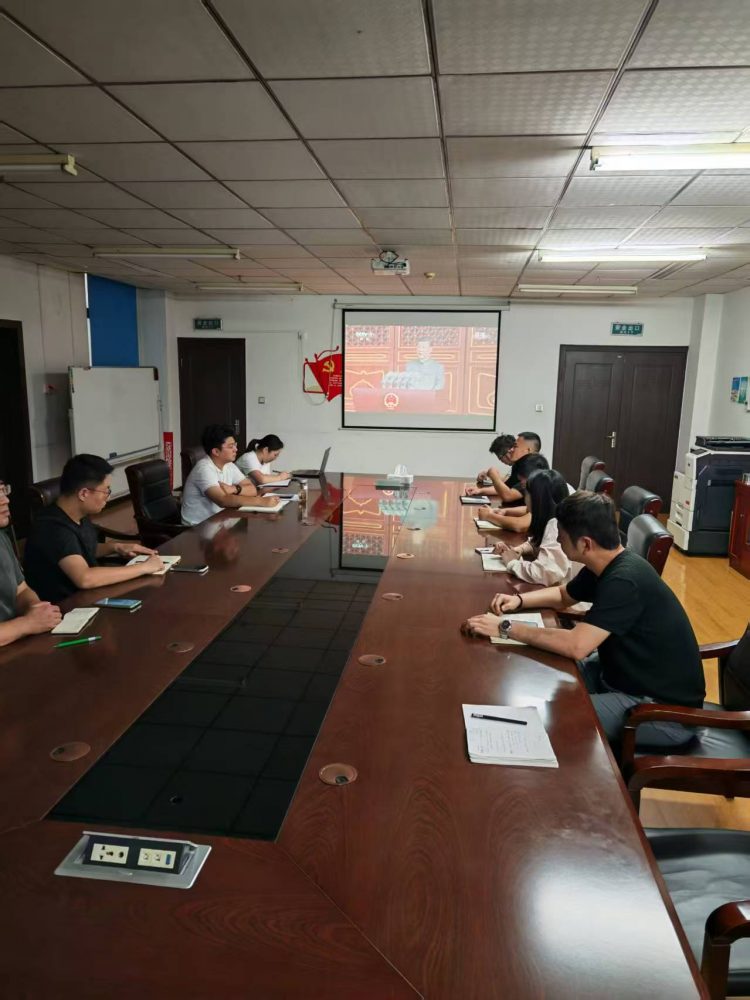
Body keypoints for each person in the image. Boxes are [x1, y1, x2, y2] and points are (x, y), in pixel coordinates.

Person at [465, 491, 705, 750]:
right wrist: (519, 601)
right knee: (542, 676)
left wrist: (505, 627)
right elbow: (563, 595)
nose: (557, 540)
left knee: (555, 716)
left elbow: (576, 646)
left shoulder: (624, 581)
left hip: (661, 712)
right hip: (617, 675)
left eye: (562, 536)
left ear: (585, 544)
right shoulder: (606, 563)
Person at [24, 455, 165, 604]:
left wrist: (116, 547)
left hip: (88, 598)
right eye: (106, 491)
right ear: (83, 494)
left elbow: (79, 550)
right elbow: (85, 578)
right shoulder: (53, 529)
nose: (108, 497)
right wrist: (143, 568)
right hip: (65, 607)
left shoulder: (77, 514)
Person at [492, 469, 584, 588]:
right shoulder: (551, 518)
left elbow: (546, 573)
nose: (525, 498)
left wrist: (512, 563)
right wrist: (518, 550)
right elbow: (539, 543)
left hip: (564, 593)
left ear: (538, 499)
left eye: (527, 493)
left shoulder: (556, 525)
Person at [0, 478, 62, 645]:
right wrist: (27, 624)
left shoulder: (2, 538)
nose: (5, 500)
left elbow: (21, 590)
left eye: (3, 491)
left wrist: (35, 607)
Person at [181, 424, 278, 526]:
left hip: (219, 521)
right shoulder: (204, 469)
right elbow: (223, 500)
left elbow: (252, 489)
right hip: (197, 528)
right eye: (231, 446)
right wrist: (261, 502)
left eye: (235, 445)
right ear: (216, 451)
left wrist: (235, 489)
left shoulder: (229, 465)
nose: (236, 449)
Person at [476, 453, 550, 534]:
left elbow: (520, 525)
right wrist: (504, 511)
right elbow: (528, 509)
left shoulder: (548, 493)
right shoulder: (542, 488)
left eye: (523, 483)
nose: (522, 487)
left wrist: (489, 516)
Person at [467, 431, 541, 501]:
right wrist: (480, 490)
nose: (511, 450)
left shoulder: (533, 471)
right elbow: (506, 488)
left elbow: (508, 496)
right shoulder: (519, 466)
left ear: (528, 450)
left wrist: (494, 476)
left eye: (515, 446)